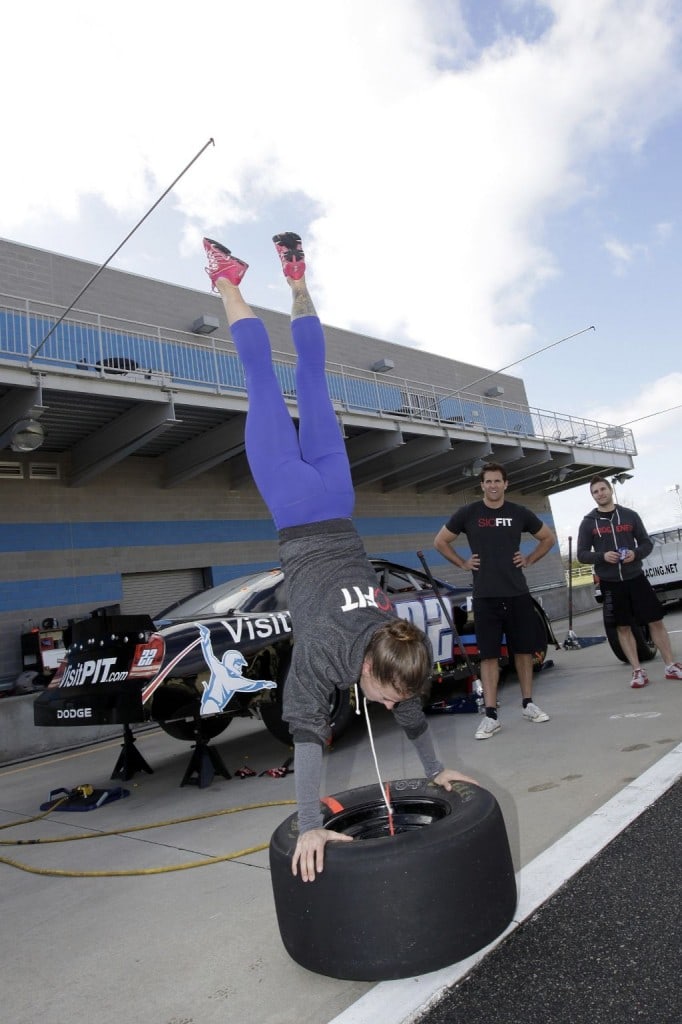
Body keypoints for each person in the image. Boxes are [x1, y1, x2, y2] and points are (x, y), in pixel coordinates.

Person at [202, 232, 475, 882]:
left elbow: (403, 698)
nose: (386, 704)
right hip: (297, 508)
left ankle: (296, 276)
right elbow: (305, 738)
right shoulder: (329, 650)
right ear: (373, 664)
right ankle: (224, 278)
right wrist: (309, 823)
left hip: (337, 494)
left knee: (313, 376)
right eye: (382, 693)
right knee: (262, 378)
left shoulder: (391, 630)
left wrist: (437, 769)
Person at [433, 463, 556, 740]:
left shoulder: (518, 512)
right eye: (488, 481)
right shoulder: (469, 513)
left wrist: (529, 559)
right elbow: (440, 541)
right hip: (485, 596)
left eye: (497, 481)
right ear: (482, 485)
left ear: (505, 484)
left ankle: (528, 704)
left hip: (517, 593)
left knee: (522, 651)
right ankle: (490, 715)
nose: (493, 485)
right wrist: (463, 563)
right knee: (488, 656)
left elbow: (547, 538)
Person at [577, 475, 682, 687]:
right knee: (623, 627)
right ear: (593, 496)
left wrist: (636, 554)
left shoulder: (629, 515)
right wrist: (602, 556)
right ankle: (637, 671)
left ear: (610, 490)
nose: (600, 493)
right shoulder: (588, 523)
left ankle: (670, 665)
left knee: (656, 621)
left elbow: (646, 543)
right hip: (611, 582)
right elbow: (581, 554)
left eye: (602, 489)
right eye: (595, 491)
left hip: (636, 577)